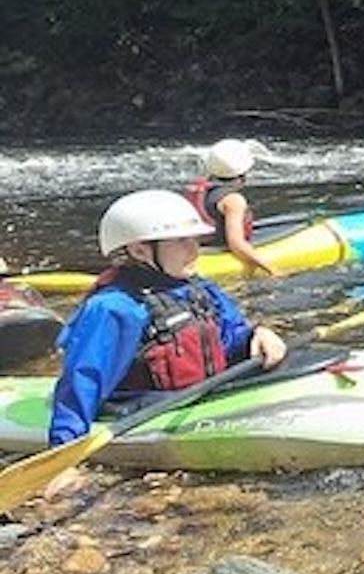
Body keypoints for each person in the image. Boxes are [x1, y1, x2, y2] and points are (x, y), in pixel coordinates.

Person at [49, 190, 287, 446]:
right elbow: (83, 380)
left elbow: (230, 338)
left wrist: (257, 335)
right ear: (140, 251)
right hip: (138, 409)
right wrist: (65, 445)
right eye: (181, 241)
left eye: (194, 239)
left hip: (199, 397)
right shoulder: (115, 307)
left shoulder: (198, 289)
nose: (194, 250)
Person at [186, 138, 278, 277]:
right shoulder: (233, 200)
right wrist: (272, 269)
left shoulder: (198, 188)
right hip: (219, 254)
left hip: (200, 251)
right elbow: (236, 244)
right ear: (244, 172)